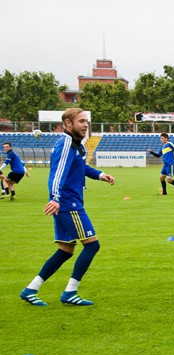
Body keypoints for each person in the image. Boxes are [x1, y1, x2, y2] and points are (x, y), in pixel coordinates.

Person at [19, 108, 116, 306]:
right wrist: (55, 198)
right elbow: (57, 173)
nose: (85, 125)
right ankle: (70, 292)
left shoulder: (77, 145)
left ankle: (30, 289)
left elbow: (81, 168)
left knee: (65, 250)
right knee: (92, 245)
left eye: (86, 121)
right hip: (67, 202)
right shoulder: (65, 143)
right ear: (68, 124)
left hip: (68, 202)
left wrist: (99, 174)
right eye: (81, 121)